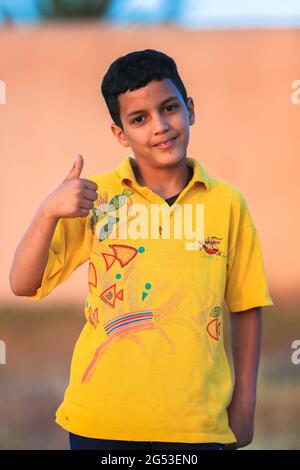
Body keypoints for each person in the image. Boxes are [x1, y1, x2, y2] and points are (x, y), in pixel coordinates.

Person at [9, 49, 273, 451]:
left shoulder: (227, 204)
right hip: (100, 426)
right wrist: (47, 212)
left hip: (197, 426)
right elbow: (22, 284)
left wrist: (245, 406)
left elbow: (246, 306)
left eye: (169, 108)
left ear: (190, 109)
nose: (160, 126)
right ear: (120, 134)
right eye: (139, 119)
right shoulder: (96, 199)